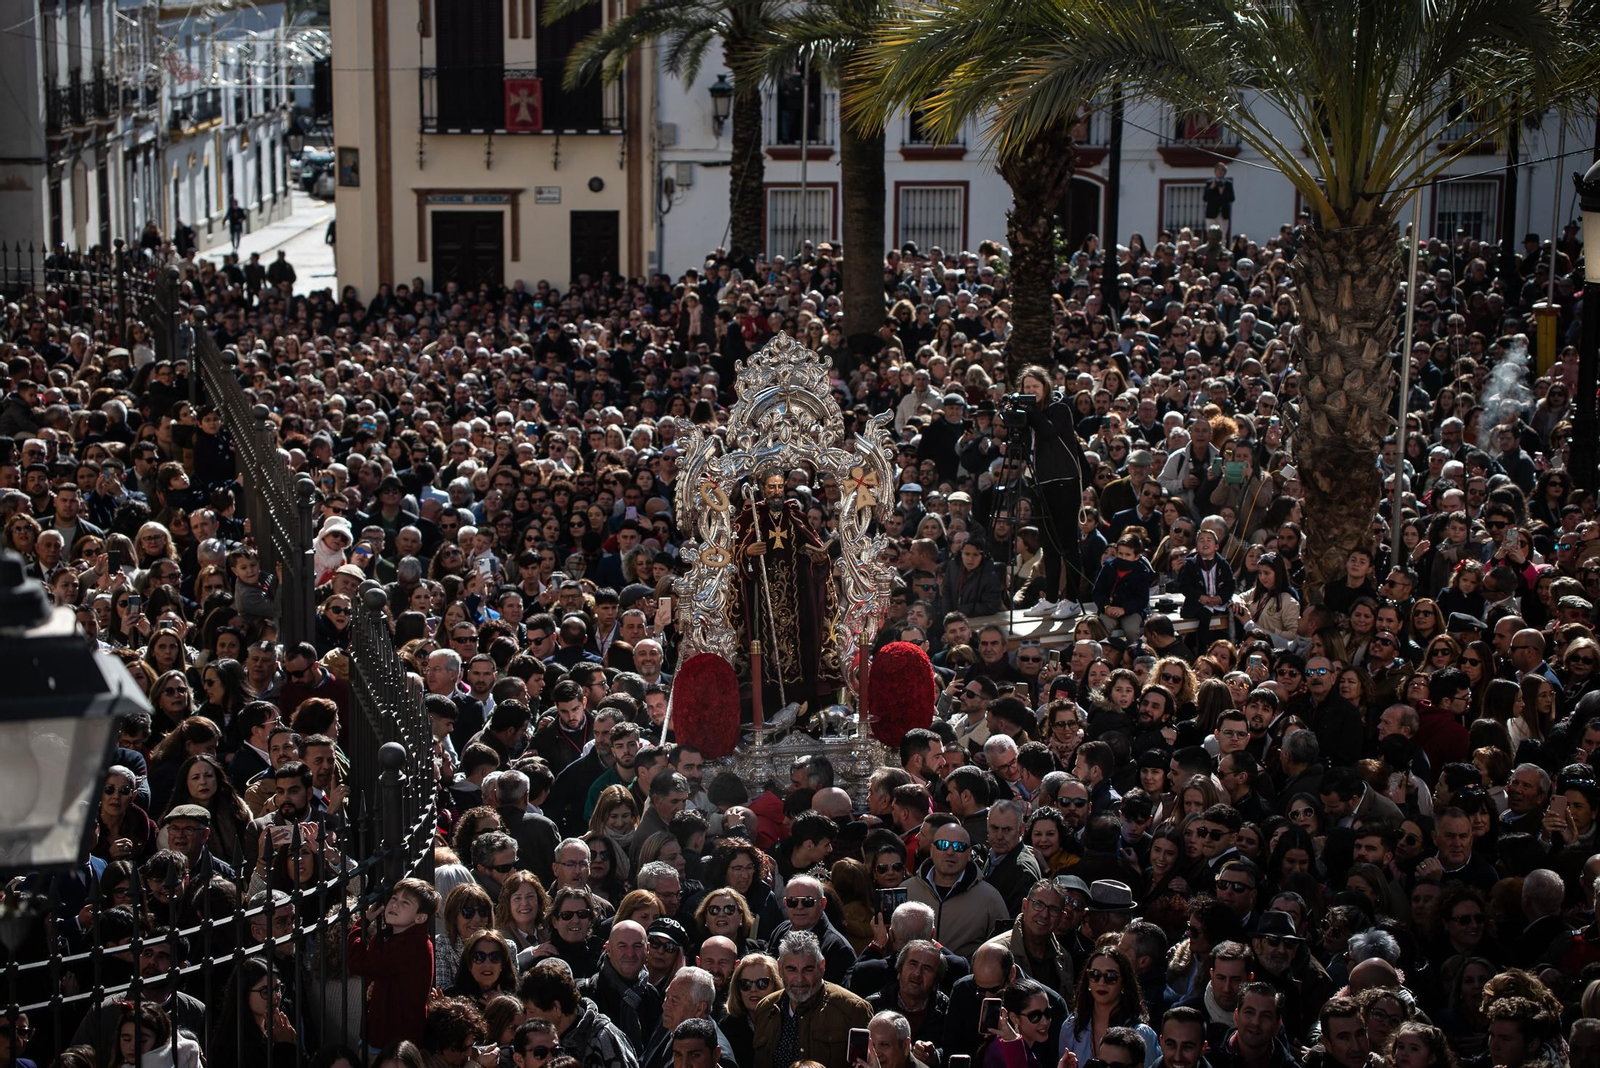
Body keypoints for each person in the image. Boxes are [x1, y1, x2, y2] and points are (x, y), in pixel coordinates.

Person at [733, 467, 843, 714]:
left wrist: (817, 558)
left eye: (780, 487)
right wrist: (748, 554)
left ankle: (801, 709)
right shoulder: (750, 518)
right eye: (771, 487)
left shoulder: (796, 517)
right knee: (764, 660)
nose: (776, 492)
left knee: (801, 656)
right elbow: (734, 560)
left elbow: (817, 554)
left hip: (797, 606)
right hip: (760, 605)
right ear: (763, 489)